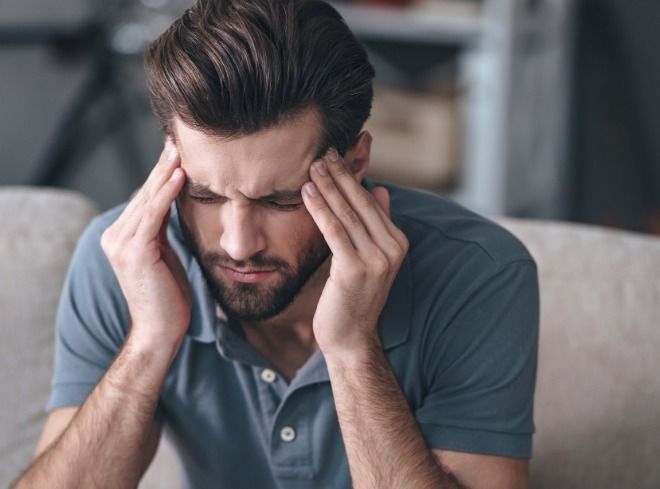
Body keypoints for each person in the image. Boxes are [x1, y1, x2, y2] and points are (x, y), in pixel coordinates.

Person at [12, 1, 539, 488]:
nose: (239, 244)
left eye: (281, 201)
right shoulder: (126, 262)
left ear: (354, 166)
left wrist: (354, 349)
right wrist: (149, 341)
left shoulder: (480, 274)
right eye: (205, 194)